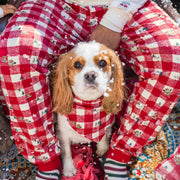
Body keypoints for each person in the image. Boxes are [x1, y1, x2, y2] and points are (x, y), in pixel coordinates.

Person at [0, 0, 179, 179]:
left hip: (124, 4)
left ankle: (120, 154)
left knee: (174, 55)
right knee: (13, 51)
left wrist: (114, 20)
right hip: (55, 4)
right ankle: (46, 160)